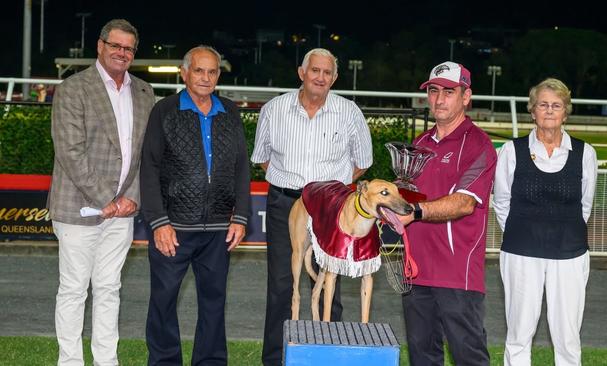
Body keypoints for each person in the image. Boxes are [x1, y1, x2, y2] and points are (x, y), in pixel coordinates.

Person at [251, 48, 373, 366]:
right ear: (301, 73)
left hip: (330, 209)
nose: (320, 77)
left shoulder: (349, 112)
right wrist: (295, 187)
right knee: (280, 284)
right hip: (284, 202)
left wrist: (327, 193)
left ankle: (328, 356)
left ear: (334, 78)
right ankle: (276, 359)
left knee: (328, 282)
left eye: (327, 73)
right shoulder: (274, 109)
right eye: (314, 70)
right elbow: (262, 158)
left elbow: (362, 163)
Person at [47, 19, 155, 365]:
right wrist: (106, 201)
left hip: (123, 212)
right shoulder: (73, 88)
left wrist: (131, 198)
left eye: (128, 49)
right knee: (74, 290)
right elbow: (70, 152)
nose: (122, 53)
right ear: (100, 46)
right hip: (78, 209)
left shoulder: (144, 91)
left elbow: (147, 154)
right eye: (116, 46)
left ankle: (106, 360)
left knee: (110, 289)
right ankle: (70, 361)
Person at [140, 45, 250, 366]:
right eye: (199, 70)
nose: (205, 77)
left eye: (212, 71)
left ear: (218, 75)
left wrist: (240, 216)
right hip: (173, 229)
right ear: (184, 73)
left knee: (214, 303)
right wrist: (158, 222)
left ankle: (211, 361)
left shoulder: (230, 111)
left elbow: (242, 167)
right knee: (163, 301)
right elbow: (149, 168)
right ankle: (163, 362)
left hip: (218, 230)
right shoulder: (165, 110)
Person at [493, 78, 597, 366]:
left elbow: (584, 205)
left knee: (567, 337)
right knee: (518, 334)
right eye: (543, 105)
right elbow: (502, 202)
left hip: (570, 254)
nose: (549, 111)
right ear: (532, 110)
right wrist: (525, 232)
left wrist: (560, 231)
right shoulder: (511, 151)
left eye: (556, 105)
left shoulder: (585, 153)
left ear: (566, 112)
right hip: (520, 252)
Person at [398, 61, 496, 366]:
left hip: (457, 274)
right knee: (422, 356)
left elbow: (463, 203)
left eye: (449, 92)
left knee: (468, 356)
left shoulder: (479, 144)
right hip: (416, 270)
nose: (439, 99)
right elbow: (407, 197)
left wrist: (413, 211)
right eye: (434, 91)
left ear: (466, 97)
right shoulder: (420, 143)